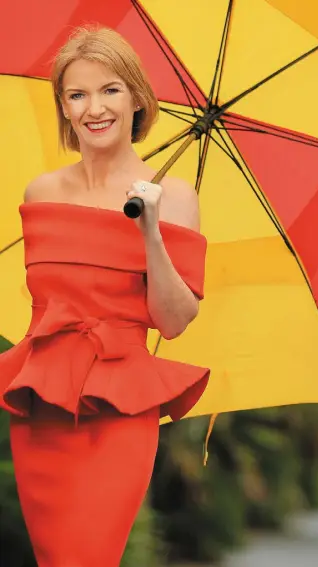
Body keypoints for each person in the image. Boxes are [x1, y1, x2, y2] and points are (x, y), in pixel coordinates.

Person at [0, 26, 209, 566]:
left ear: (137, 98)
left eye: (110, 89)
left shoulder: (174, 196)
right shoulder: (40, 193)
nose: (95, 107)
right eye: (78, 94)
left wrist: (152, 233)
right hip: (42, 408)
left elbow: (174, 320)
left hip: (118, 410)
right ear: (64, 109)